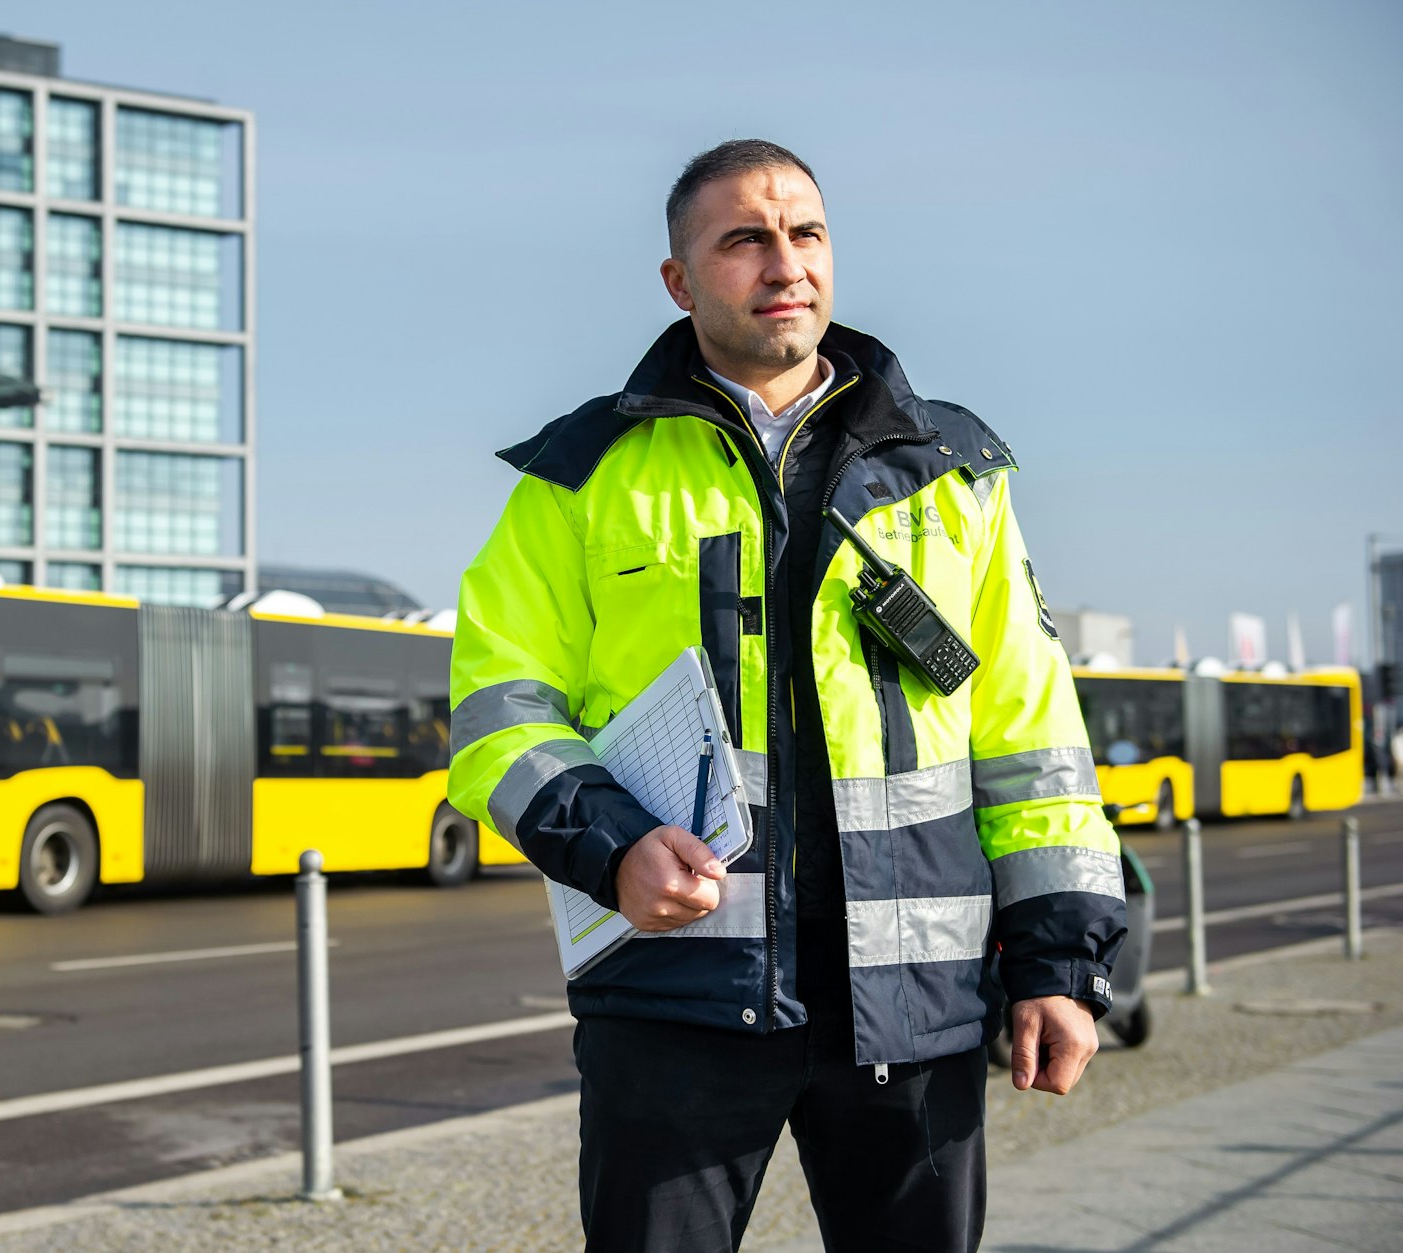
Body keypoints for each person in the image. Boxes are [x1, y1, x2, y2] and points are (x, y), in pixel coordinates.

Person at [448, 140, 1127, 1252]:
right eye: (743, 239)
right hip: (673, 996)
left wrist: (1059, 962)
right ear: (678, 280)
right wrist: (610, 844)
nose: (784, 263)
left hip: (912, 1009)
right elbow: (495, 709)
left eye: (805, 233)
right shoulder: (580, 473)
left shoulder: (952, 475)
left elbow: (1031, 740)